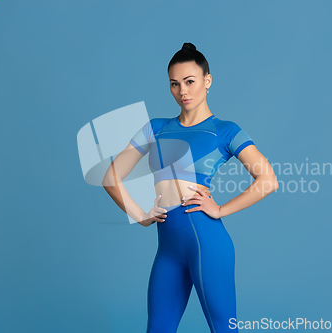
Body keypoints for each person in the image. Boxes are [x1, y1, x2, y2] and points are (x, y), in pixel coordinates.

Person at [102, 42, 278, 333]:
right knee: (157, 329)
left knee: (224, 328)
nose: (182, 91)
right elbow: (111, 177)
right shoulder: (156, 128)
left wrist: (221, 209)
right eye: (174, 84)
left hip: (208, 243)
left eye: (190, 81)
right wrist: (141, 215)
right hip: (168, 248)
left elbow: (268, 180)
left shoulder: (224, 130)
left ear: (207, 81)